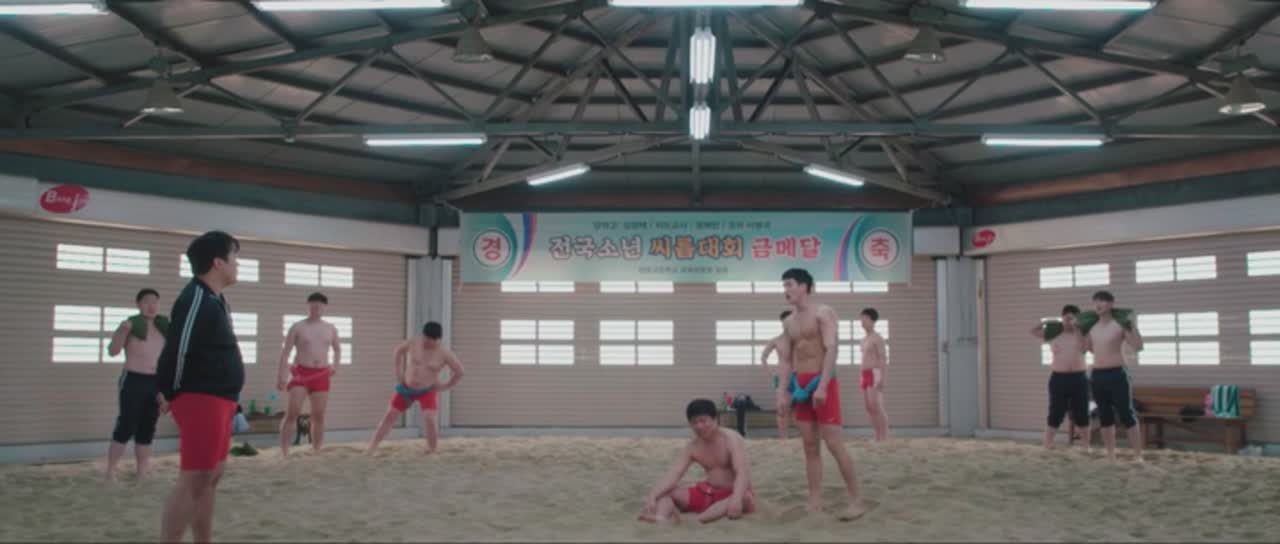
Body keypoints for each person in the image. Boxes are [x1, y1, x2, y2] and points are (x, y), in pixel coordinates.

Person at [154, 231, 244, 543]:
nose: (238, 264)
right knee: (195, 477)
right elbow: (177, 348)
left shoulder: (217, 300)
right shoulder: (195, 298)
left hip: (221, 398)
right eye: (234, 257)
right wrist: (168, 391)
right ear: (218, 263)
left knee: (211, 476)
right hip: (200, 397)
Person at [774, 268, 867, 520]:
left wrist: (823, 385)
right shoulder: (789, 322)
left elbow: (832, 348)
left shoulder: (823, 312)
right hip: (801, 384)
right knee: (809, 445)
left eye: (790, 284)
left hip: (822, 379)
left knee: (834, 443)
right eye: (784, 285)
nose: (786, 290)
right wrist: (782, 392)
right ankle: (815, 500)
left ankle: (856, 500)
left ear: (804, 286)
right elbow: (786, 360)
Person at [637, 399, 756, 524]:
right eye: (694, 422)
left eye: (703, 421)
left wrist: (736, 498)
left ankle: (694, 520)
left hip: (733, 494)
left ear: (715, 419)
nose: (699, 426)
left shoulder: (731, 439)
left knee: (745, 497)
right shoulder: (693, 447)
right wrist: (652, 496)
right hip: (708, 494)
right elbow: (673, 474)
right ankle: (661, 518)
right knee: (665, 492)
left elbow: (742, 472)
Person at [366, 322, 463, 455]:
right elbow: (398, 351)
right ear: (423, 336)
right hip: (406, 388)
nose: (430, 343)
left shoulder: (445, 353)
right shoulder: (413, 343)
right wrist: (399, 373)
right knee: (390, 414)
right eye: (427, 339)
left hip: (427, 390)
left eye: (433, 340)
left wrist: (445, 386)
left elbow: (459, 372)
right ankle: (373, 446)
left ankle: (432, 450)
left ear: (438, 339)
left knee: (430, 418)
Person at [103, 288, 168, 481]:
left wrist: (165, 391)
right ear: (138, 304)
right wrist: (122, 331)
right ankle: (111, 470)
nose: (151, 306)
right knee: (126, 424)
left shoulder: (164, 327)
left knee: (148, 427)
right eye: (147, 301)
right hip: (133, 379)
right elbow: (113, 351)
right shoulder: (131, 325)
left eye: (155, 301)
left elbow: (168, 360)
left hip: (156, 381)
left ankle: (142, 471)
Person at [277, 292, 341, 456]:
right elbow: (285, 353)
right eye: (313, 303)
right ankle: (284, 451)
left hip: (321, 374)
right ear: (308, 305)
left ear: (325, 307)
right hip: (301, 373)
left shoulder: (330, 328)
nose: (317, 306)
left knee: (318, 415)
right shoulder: (298, 327)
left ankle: (316, 450)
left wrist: (335, 365)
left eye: (320, 304)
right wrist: (281, 376)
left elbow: (337, 349)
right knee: (293, 413)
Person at [1084, 291, 1145, 462]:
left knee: (1126, 414)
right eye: (1095, 301)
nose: (1098, 304)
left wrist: (1131, 327)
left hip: (1117, 373)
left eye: (1102, 301)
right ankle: (1110, 454)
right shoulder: (1092, 327)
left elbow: (1138, 346)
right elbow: (1090, 348)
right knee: (1104, 415)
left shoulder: (1119, 324)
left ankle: (1138, 455)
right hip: (1098, 375)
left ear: (1111, 304)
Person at [1031, 305, 1091, 450]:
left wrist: (1077, 328)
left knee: (1082, 412)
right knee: (1056, 411)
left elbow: (1084, 349)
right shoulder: (1054, 333)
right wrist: (1047, 322)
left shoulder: (1082, 333)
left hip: (1079, 378)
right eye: (1067, 318)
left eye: (1072, 318)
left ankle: (1086, 446)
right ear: (1062, 318)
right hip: (1058, 378)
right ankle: (1048, 444)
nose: (1069, 321)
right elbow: (1033, 331)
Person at [759, 309, 793, 439]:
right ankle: (783, 438)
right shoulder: (777, 340)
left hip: (798, 376)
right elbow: (763, 357)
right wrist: (771, 374)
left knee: (802, 407)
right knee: (782, 407)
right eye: (785, 322)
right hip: (782, 377)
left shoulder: (799, 340)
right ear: (782, 323)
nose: (788, 324)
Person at [858, 308, 890, 443]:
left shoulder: (878, 338)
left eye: (864, 319)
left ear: (872, 320)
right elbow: (864, 358)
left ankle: (884, 437)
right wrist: (861, 376)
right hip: (864, 374)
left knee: (876, 405)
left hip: (874, 372)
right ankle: (877, 436)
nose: (862, 321)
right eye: (861, 319)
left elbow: (883, 358)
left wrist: (882, 378)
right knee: (869, 407)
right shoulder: (863, 339)